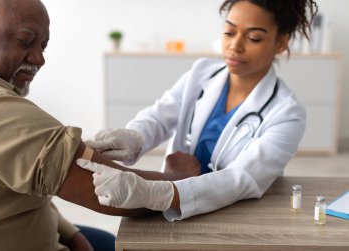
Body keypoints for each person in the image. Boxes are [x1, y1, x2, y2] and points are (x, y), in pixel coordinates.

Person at [0, 0, 199, 250]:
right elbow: (122, 195)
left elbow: (13, 188)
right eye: (25, 40)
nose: (39, 58)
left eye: (43, 46)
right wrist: (183, 177)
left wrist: (73, 235)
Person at [78, 0, 318, 221]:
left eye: (253, 38)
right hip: (176, 198)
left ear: (281, 43)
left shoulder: (287, 114)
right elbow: (160, 116)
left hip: (235, 215)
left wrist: (156, 193)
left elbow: (242, 179)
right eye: (229, 32)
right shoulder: (201, 73)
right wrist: (134, 137)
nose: (235, 46)